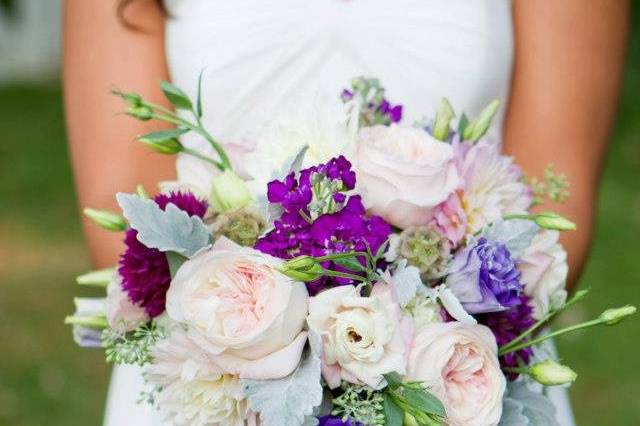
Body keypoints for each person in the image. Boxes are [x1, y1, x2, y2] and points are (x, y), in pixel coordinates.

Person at [62, 1, 629, 425]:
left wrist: (400, 355)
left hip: (457, 384)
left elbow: (554, 210)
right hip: (206, 384)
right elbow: (121, 224)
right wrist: (263, 343)